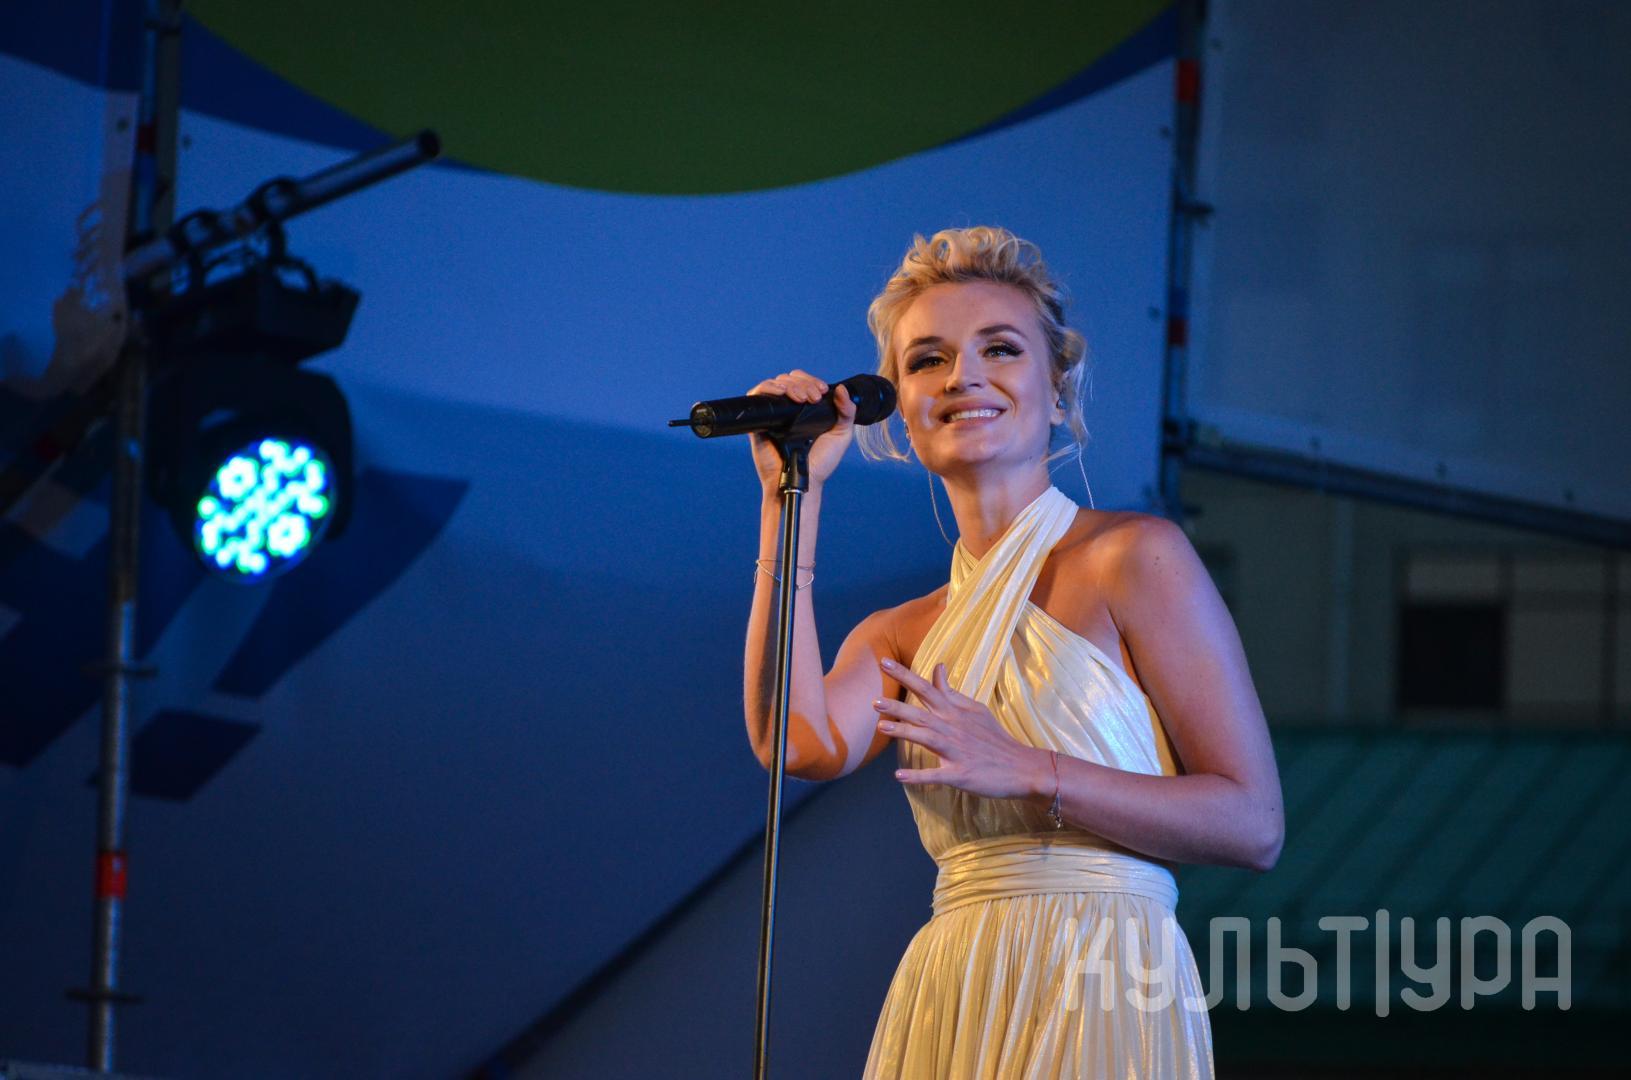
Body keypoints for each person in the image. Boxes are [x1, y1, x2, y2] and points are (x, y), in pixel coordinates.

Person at [741, 226, 1283, 1078]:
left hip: (1103, 974)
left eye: (999, 348)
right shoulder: (898, 633)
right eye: (927, 360)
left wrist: (1031, 769)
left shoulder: (1133, 558)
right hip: (956, 986)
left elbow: (1253, 826)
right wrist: (788, 502)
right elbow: (792, 743)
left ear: (1058, 391)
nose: (963, 376)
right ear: (898, 415)